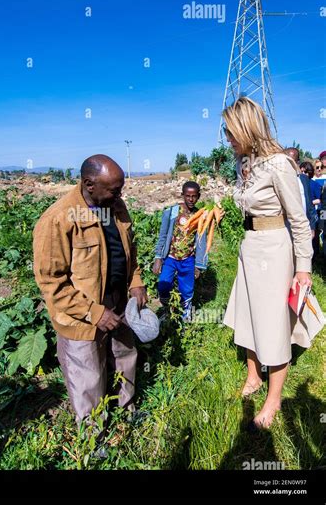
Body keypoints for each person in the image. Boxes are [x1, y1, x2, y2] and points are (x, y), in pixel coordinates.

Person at [222, 97, 323, 431]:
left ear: (247, 127)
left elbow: (299, 220)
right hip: (249, 247)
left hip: (276, 249)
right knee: (248, 313)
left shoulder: (279, 164)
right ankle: (254, 373)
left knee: (273, 321)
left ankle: (274, 398)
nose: (227, 137)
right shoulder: (243, 163)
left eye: (231, 131)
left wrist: (303, 268)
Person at [33, 154, 147, 424]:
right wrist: (95, 313)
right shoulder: (58, 219)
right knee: (88, 375)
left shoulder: (116, 207)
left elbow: (129, 253)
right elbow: (52, 283)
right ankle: (94, 436)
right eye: (114, 189)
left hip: (118, 303)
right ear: (89, 184)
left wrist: (136, 282)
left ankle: (126, 409)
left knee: (124, 356)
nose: (120, 194)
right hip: (81, 316)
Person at [152, 181, 209, 322]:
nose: (191, 199)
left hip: (188, 259)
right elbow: (163, 235)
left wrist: (199, 265)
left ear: (199, 196)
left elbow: (202, 242)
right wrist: (158, 258)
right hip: (170, 258)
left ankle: (186, 315)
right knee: (163, 284)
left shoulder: (200, 216)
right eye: (188, 196)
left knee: (187, 288)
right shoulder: (171, 212)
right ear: (182, 195)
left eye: (194, 196)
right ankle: (167, 310)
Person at [285, 148, 317, 237]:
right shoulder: (280, 180)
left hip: (304, 226)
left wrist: (312, 227)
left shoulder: (304, 179)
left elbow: (309, 205)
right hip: (286, 227)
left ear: (297, 162)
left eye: (291, 161)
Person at [301, 161, 322, 257]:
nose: (304, 174)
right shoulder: (297, 183)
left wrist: (309, 202)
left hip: (312, 213)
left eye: (306, 172)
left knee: (314, 236)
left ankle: (315, 255)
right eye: (302, 172)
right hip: (301, 212)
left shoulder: (315, 185)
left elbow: (319, 199)